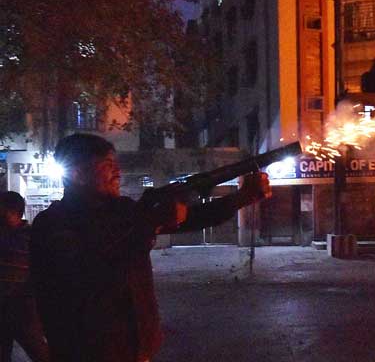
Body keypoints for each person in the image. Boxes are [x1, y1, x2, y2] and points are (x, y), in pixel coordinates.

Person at [30, 133, 272, 362]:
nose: (118, 170)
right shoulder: (53, 224)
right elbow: (93, 270)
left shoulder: (122, 210)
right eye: (106, 164)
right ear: (77, 173)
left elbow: (195, 217)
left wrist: (243, 197)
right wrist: (151, 222)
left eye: (116, 162)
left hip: (135, 349)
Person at [0, 191, 50, 362]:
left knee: (40, 351)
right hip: (6, 306)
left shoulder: (32, 237)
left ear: (14, 212)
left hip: (23, 306)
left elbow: (42, 270)